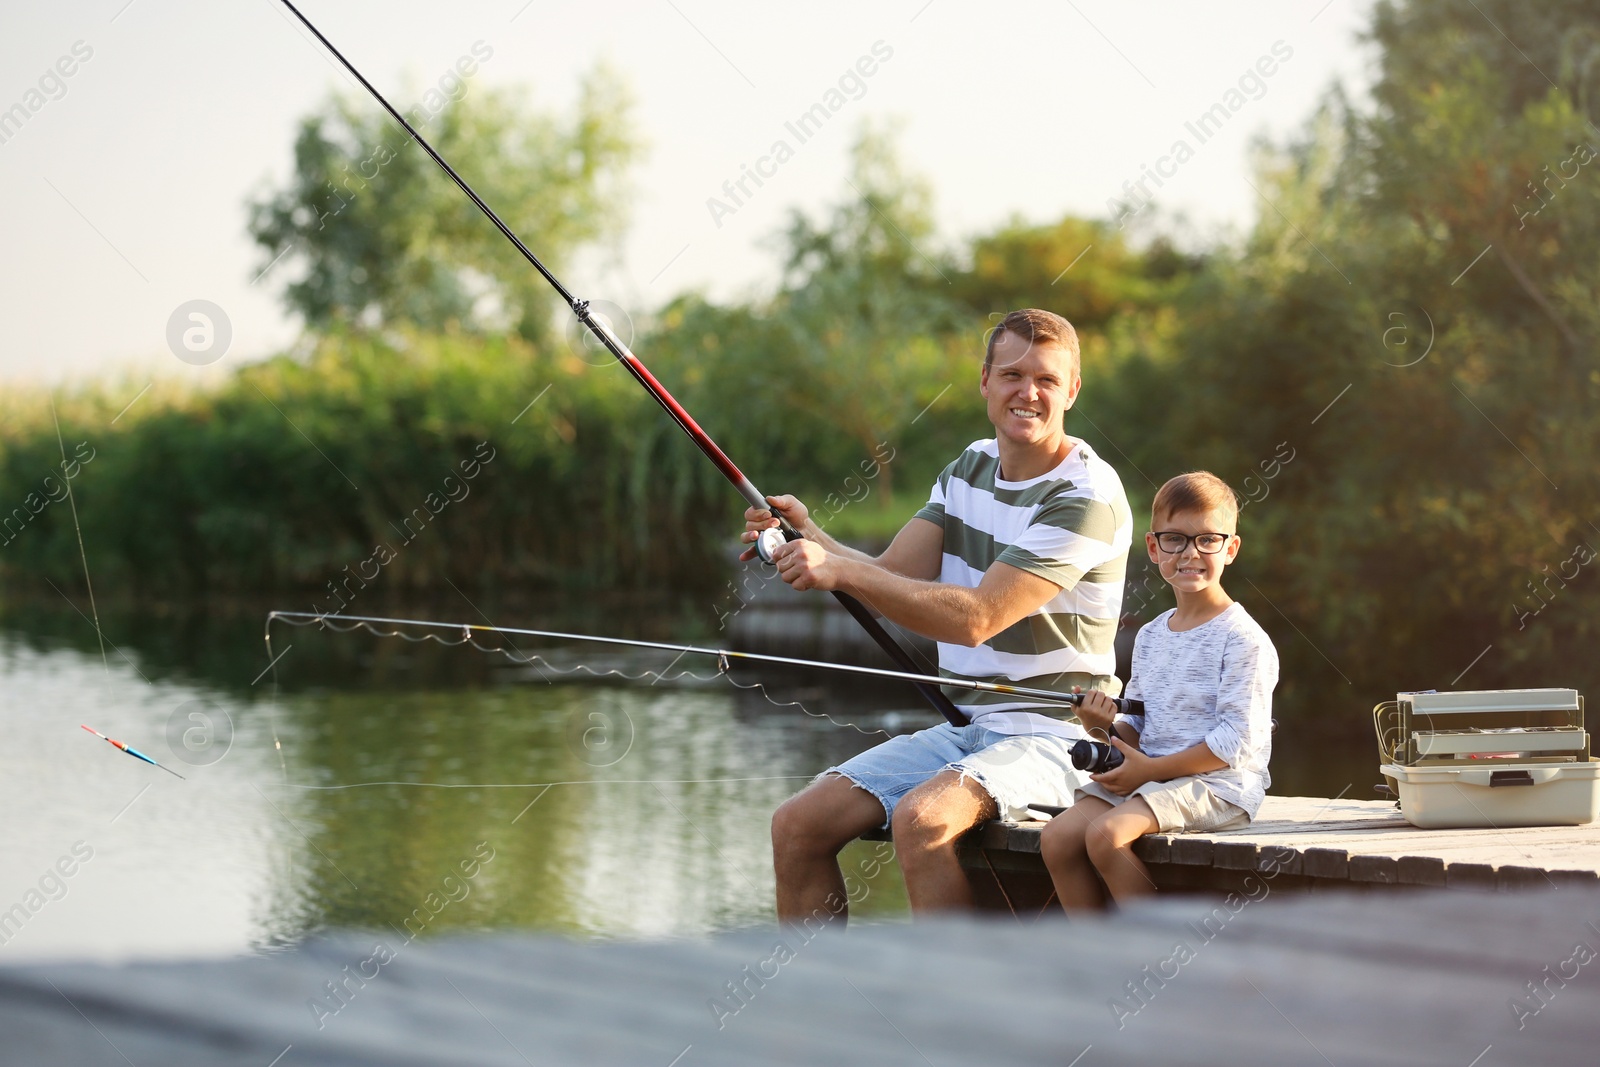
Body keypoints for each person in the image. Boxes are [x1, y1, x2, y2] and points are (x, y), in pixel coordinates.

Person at [744, 308, 1133, 923]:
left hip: (1060, 736)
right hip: (967, 726)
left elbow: (977, 618)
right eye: (1011, 374)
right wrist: (807, 536)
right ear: (984, 381)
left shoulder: (1085, 498)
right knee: (796, 826)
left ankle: (946, 1008)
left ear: (1072, 390)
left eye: (1046, 379)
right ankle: (810, 1007)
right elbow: (895, 573)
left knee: (921, 819)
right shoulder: (969, 468)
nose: (1027, 392)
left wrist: (838, 571)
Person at [1038, 471, 1278, 912]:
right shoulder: (1150, 636)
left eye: (1208, 539)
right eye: (1175, 540)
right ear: (1153, 547)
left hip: (1219, 785)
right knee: (1055, 839)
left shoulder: (1244, 639)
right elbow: (1137, 725)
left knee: (1106, 838)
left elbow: (1234, 744)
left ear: (1231, 548)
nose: (1191, 553)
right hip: (1155, 776)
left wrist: (1150, 771)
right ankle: (1094, 963)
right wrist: (1103, 726)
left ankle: (1151, 958)